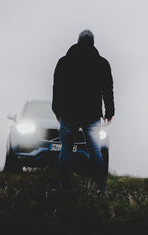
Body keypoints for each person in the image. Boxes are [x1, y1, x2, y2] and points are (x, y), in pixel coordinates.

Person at [52, 29, 114, 191]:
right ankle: (100, 186)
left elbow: (57, 88)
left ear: (78, 41)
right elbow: (107, 90)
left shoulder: (64, 62)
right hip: (91, 114)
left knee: (66, 149)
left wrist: (57, 110)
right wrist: (110, 112)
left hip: (69, 112)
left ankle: (62, 185)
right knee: (95, 151)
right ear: (93, 42)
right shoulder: (102, 63)